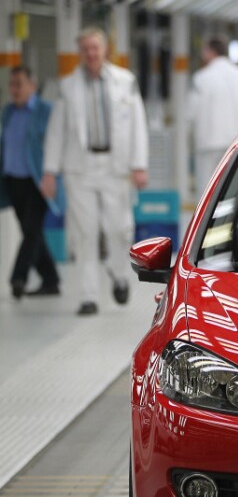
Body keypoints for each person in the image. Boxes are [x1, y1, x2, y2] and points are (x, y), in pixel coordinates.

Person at [41, 26, 149, 316]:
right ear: (80, 52)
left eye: (95, 48)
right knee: (85, 233)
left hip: (115, 165)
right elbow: (56, 131)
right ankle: (88, 295)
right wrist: (50, 171)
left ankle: (118, 274)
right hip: (80, 167)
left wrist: (139, 164)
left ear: (105, 50)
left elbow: (138, 123)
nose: (91, 53)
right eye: (86, 48)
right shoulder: (67, 85)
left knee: (118, 228)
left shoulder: (125, 81)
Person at [1, 66, 61, 300]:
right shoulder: (8, 112)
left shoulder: (46, 111)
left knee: (31, 230)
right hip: (13, 181)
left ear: (32, 86)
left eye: (19, 84)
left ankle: (18, 278)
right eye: (12, 84)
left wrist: (52, 175)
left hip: (39, 181)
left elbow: (54, 144)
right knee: (30, 231)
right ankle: (51, 279)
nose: (15, 89)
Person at [189, 36, 238, 197]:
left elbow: (191, 113)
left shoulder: (201, 77)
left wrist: (190, 139)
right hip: (237, 142)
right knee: (235, 187)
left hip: (208, 142)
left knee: (207, 190)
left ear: (211, 52)